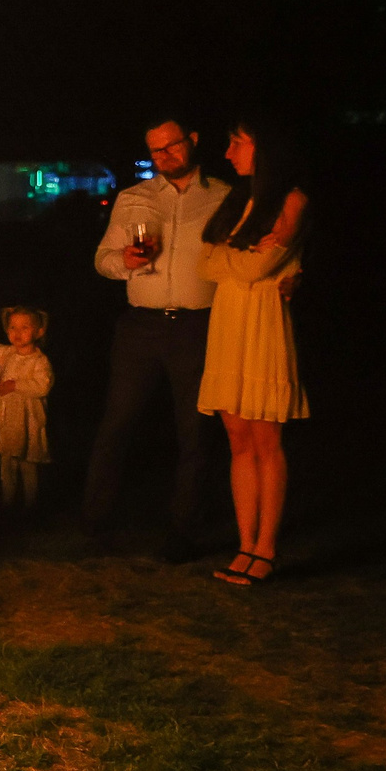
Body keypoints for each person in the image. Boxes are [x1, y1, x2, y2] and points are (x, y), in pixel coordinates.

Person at [81, 116, 235, 551]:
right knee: (117, 422)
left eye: (171, 147)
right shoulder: (134, 197)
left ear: (194, 141)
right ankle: (95, 522)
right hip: (141, 325)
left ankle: (184, 529)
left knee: (195, 429)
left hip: (198, 325)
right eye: (155, 151)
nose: (163, 157)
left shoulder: (225, 198)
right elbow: (102, 259)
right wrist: (124, 262)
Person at [198, 120, 310, 586]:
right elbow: (204, 262)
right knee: (238, 439)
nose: (228, 152)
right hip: (228, 321)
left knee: (266, 441)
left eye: (237, 143)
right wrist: (234, 259)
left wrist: (232, 259)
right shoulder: (238, 202)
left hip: (262, 321)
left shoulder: (292, 200)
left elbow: (260, 264)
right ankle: (245, 545)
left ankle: (267, 549)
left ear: (264, 147)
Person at [0, 306, 55, 510]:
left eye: (25, 327)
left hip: (27, 422)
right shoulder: (7, 354)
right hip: (6, 420)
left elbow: (43, 385)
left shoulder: (40, 361)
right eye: (13, 327)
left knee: (26, 464)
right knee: (6, 463)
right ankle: (8, 504)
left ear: (39, 331)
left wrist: (16, 385)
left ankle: (30, 506)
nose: (17, 332)